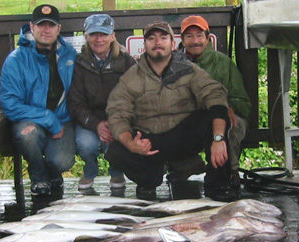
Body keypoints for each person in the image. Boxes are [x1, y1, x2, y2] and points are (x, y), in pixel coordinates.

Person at [105, 21, 231, 201]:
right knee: (116, 150)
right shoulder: (131, 77)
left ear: (172, 44)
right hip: (149, 140)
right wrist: (130, 142)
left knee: (215, 118)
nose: (157, 42)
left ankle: (217, 187)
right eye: (151, 38)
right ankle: (150, 177)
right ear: (145, 45)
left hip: (181, 136)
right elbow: (117, 112)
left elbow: (215, 96)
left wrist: (218, 138)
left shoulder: (189, 70)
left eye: (163, 37)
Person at [169, 15, 252, 198]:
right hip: (191, 121)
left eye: (199, 35)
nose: (195, 41)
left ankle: (221, 182)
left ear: (208, 38)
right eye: (189, 36)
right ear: (182, 40)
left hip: (221, 121)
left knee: (228, 125)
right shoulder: (172, 65)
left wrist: (229, 107)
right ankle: (186, 165)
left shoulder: (223, 63)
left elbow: (243, 102)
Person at [0, 4, 77, 197]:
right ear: (31, 27)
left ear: (59, 29)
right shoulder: (15, 60)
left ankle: (53, 172)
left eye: (51, 25)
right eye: (42, 25)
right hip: (30, 120)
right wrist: (48, 118)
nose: (46, 30)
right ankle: (39, 176)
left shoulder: (71, 56)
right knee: (28, 135)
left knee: (63, 162)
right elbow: (9, 103)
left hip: (63, 120)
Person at [68, 14, 137, 192]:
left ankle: (117, 171)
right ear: (86, 36)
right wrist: (95, 124)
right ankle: (90, 171)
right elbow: (75, 102)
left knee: (120, 139)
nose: (98, 39)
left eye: (103, 34)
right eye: (93, 34)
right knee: (86, 144)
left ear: (112, 36)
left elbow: (134, 98)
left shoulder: (127, 62)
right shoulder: (78, 63)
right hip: (89, 121)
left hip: (118, 119)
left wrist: (117, 124)